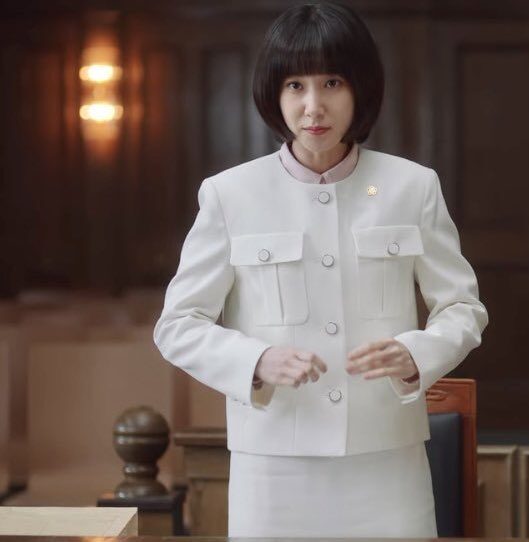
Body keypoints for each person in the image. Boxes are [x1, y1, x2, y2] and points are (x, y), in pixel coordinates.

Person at [153, 2, 487, 537]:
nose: (314, 107)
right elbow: (176, 326)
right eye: (295, 86)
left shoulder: (412, 186)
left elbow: (463, 308)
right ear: (274, 94)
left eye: (332, 82)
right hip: (273, 467)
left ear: (360, 89)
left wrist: (416, 353)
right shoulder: (230, 195)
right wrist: (256, 360)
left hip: (387, 463)